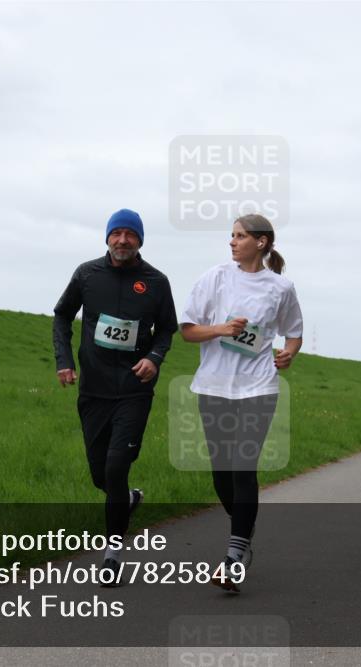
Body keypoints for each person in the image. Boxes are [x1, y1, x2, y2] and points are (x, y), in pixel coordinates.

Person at [52, 208, 178, 585]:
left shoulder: (156, 281)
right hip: (93, 390)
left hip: (134, 392)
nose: (123, 240)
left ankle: (111, 555)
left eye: (130, 234)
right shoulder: (87, 274)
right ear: (107, 238)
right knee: (99, 475)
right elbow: (61, 317)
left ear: (140, 240)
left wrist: (154, 358)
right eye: (116, 233)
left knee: (116, 467)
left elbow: (167, 330)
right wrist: (64, 360)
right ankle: (127, 498)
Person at [180, 214, 303, 593]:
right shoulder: (215, 278)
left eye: (240, 236)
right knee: (222, 475)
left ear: (262, 242)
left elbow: (294, 332)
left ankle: (233, 558)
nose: (232, 242)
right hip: (215, 387)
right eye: (231, 236)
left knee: (242, 467)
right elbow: (187, 330)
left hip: (258, 388)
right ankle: (243, 529)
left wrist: (288, 354)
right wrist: (221, 328)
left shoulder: (280, 287)